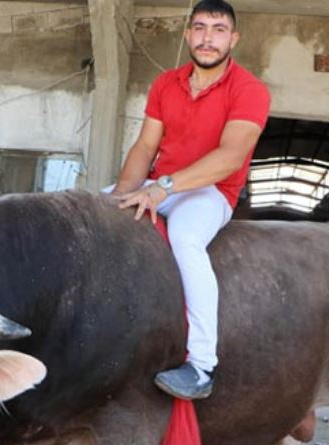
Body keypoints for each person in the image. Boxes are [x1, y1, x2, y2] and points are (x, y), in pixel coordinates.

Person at [111, 0, 270, 399]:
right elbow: (145, 147)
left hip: (210, 191)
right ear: (187, 36)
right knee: (90, 212)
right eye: (199, 28)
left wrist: (162, 187)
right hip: (159, 183)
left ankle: (201, 366)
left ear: (233, 39)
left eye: (218, 30)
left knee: (185, 239)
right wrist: (120, 196)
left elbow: (230, 156)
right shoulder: (167, 83)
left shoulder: (250, 90)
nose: (207, 38)